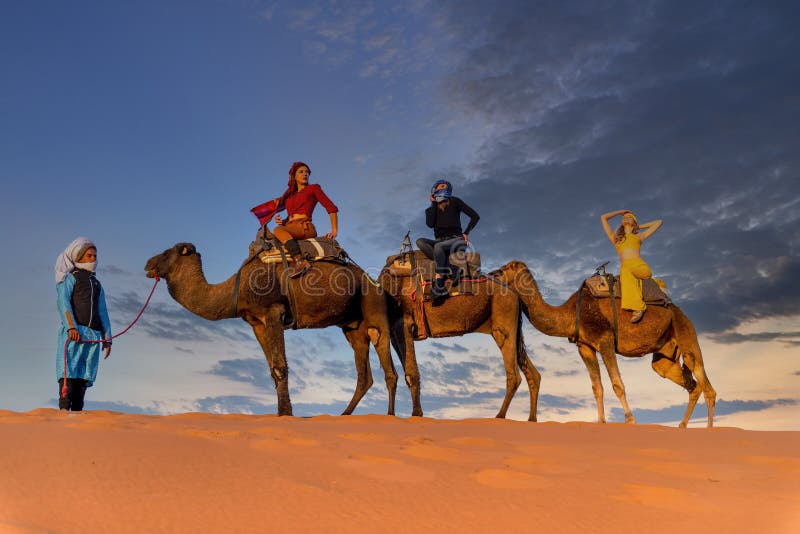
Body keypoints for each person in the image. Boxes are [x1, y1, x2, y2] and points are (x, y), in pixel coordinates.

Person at [251, 161, 339, 278]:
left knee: (278, 230)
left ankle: (300, 261)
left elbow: (331, 207)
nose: (305, 174)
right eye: (301, 172)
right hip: (292, 227)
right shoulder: (290, 197)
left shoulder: (313, 188)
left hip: (305, 227)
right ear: (294, 176)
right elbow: (291, 216)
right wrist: (283, 222)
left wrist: (334, 231)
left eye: (307, 172)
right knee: (271, 235)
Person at [54, 238, 112, 411]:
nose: (93, 258)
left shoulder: (97, 284)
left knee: (83, 377)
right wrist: (71, 327)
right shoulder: (71, 278)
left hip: (92, 337)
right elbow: (63, 302)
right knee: (68, 375)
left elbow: (103, 312)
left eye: (95, 255)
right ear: (80, 257)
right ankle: (63, 415)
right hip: (74, 333)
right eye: (89, 255)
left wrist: (107, 338)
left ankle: (77, 415)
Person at [416, 179, 480, 300]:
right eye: (441, 186)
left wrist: (466, 232)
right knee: (420, 241)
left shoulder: (454, 201)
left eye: (446, 187)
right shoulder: (430, 210)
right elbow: (430, 224)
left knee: (438, 247)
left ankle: (440, 284)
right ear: (435, 191)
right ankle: (452, 268)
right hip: (440, 240)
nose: (444, 188)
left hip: (456, 240)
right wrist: (434, 204)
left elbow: (475, 216)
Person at [600, 210, 663, 322]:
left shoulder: (639, 236)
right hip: (627, 269)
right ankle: (637, 307)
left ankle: (639, 307)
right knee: (624, 269)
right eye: (624, 217)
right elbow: (603, 218)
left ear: (634, 222)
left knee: (626, 269)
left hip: (640, 267)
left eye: (629, 217)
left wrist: (639, 226)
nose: (625, 218)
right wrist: (620, 212)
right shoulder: (616, 240)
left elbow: (659, 222)